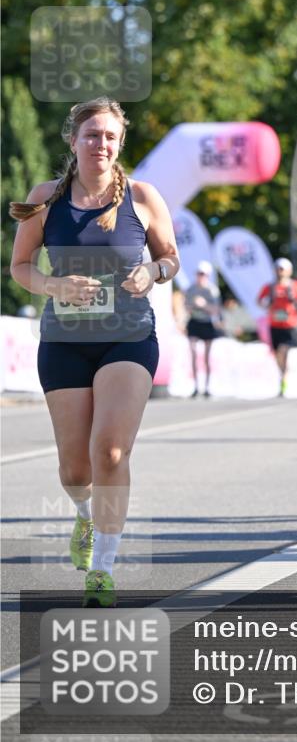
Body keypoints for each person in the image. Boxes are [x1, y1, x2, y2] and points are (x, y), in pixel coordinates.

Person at [9, 97, 179, 607]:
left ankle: (102, 568)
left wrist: (152, 272)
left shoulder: (143, 197)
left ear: (120, 142)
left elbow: (171, 258)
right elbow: (20, 267)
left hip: (127, 338)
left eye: (109, 136)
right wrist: (54, 287)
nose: (100, 144)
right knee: (74, 470)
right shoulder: (46, 198)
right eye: (91, 135)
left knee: (109, 451)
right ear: (73, 140)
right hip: (64, 342)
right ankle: (85, 518)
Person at [257, 258, 297, 396]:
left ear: (289, 271)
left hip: (290, 325)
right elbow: (260, 302)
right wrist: (268, 301)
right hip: (274, 324)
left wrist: (295, 302)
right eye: (278, 268)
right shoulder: (269, 287)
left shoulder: (296, 286)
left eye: (282, 269)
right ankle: (283, 376)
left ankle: (284, 378)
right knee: (277, 354)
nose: (280, 272)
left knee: (283, 350)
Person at [185, 260, 222, 397]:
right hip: (194, 322)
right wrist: (192, 307)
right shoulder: (191, 289)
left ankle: (207, 387)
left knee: (206, 356)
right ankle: (195, 387)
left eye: (203, 274)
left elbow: (216, 310)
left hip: (207, 324)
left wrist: (203, 305)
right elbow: (187, 307)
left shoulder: (212, 290)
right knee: (193, 353)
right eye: (199, 274)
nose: (201, 277)